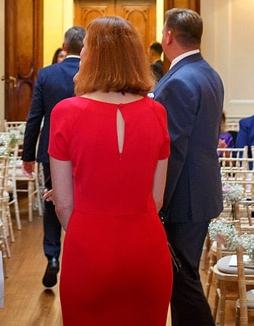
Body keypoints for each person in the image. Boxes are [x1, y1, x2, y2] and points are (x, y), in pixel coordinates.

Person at [48, 16, 170, 324]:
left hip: (88, 248)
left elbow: (63, 204)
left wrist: (87, 228)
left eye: (86, 47)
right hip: (147, 248)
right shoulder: (157, 113)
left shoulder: (65, 113)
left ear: (96, 55)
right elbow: (156, 199)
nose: (82, 53)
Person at [152, 7, 224, 326]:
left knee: (181, 280)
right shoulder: (209, 72)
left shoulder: (179, 80)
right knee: (182, 278)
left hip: (184, 196)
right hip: (202, 191)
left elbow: (174, 147)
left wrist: (158, 200)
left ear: (168, 37)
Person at [22, 25, 84, 288]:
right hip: (83, 150)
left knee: (52, 203)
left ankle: (53, 257)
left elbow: (34, 116)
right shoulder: (90, 73)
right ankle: (79, 255)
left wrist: (27, 154)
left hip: (50, 151)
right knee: (81, 203)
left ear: (65, 46)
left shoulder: (47, 74)